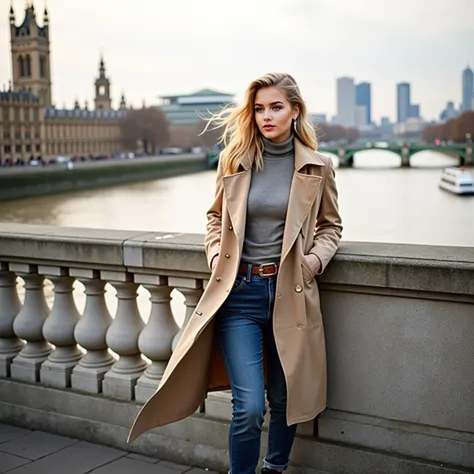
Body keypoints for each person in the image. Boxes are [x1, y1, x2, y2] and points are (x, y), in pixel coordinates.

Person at [128, 73, 342, 474]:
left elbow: (331, 226)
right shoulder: (235, 159)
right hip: (239, 294)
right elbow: (214, 217)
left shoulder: (319, 167)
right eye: (259, 108)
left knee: (284, 400)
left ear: (295, 111)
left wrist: (315, 261)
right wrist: (215, 257)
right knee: (248, 407)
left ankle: (274, 468)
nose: (266, 116)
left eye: (276, 107)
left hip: (290, 294)